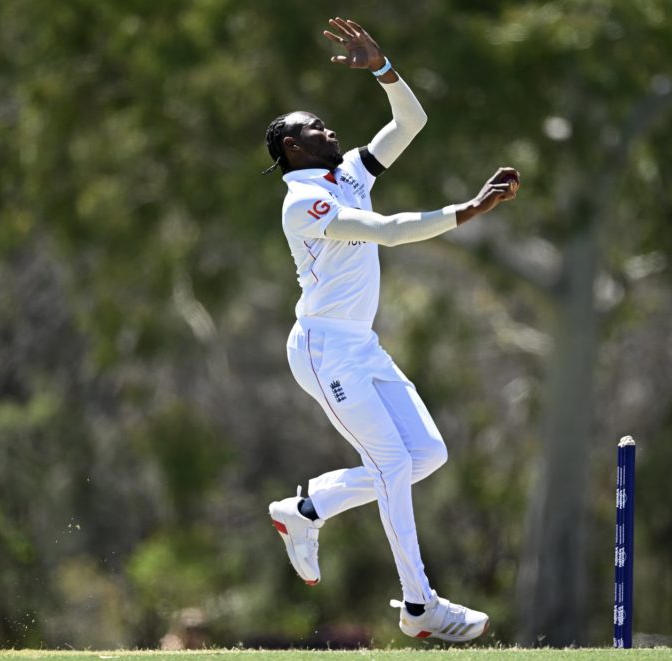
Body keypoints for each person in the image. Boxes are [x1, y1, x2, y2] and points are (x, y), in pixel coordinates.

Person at [264, 17, 519, 643]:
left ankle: (307, 509)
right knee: (391, 466)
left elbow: (412, 124)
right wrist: (468, 210)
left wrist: (384, 69)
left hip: (361, 346)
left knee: (425, 455)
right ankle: (419, 606)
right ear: (293, 150)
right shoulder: (303, 202)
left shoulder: (347, 172)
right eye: (312, 129)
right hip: (325, 351)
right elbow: (386, 231)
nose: (328, 129)